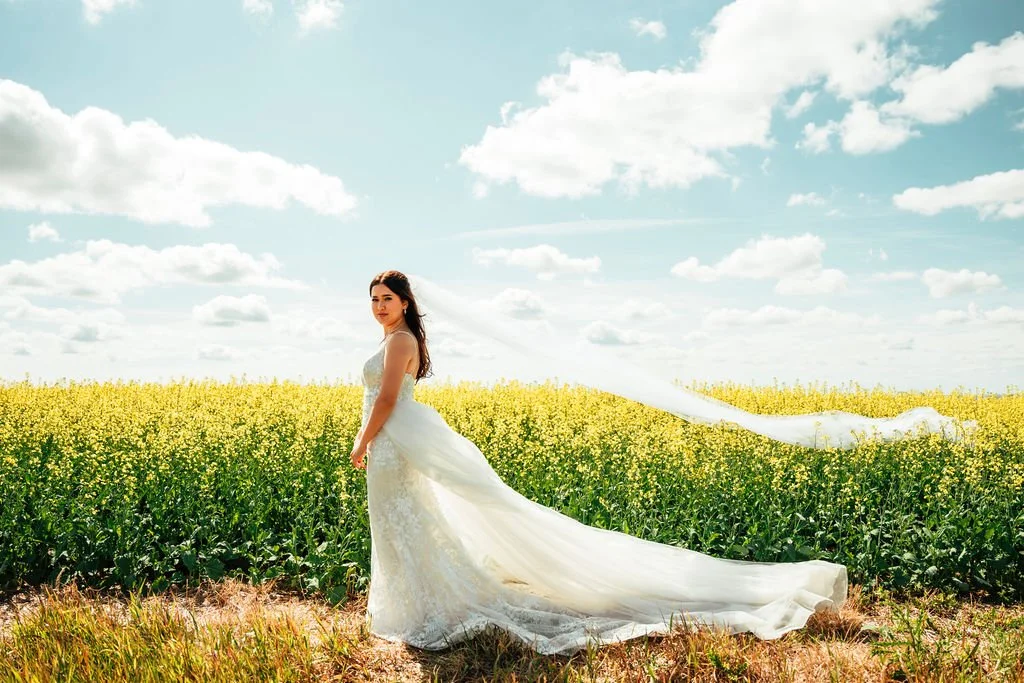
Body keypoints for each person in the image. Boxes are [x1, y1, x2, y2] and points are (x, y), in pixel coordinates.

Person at [348, 269, 848, 656]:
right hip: (396, 443)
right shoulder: (394, 340)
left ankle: (421, 608)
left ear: (406, 302)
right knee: (404, 524)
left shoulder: (400, 342)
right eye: (373, 300)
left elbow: (388, 400)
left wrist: (361, 441)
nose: (378, 307)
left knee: (404, 522)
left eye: (386, 299)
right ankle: (416, 605)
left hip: (393, 441)